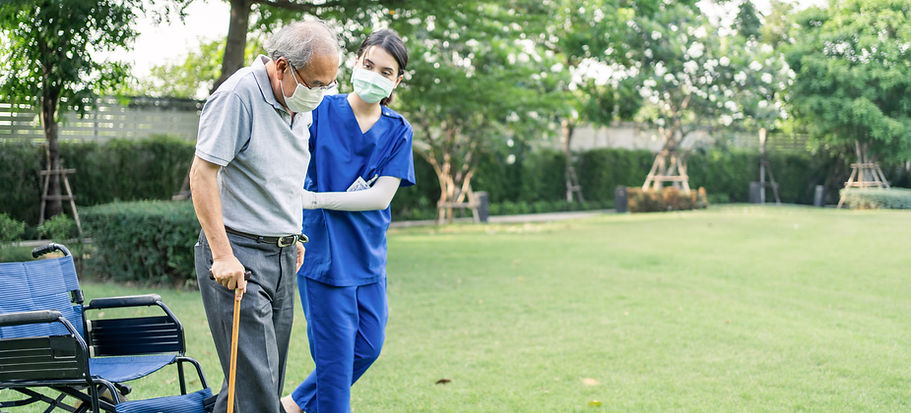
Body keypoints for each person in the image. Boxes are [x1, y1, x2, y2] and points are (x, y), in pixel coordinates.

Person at [190, 20, 340, 413]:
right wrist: (222, 255)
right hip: (238, 256)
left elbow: (281, 176)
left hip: (282, 256)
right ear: (281, 66)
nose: (321, 94)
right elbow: (202, 174)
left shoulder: (297, 102)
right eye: (315, 84)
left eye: (328, 85)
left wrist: (293, 234)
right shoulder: (238, 96)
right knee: (258, 392)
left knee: (258, 383)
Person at [280, 29, 415, 413]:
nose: (374, 74)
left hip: (369, 257)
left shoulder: (398, 129)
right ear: (357, 62)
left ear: (397, 80)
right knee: (336, 366)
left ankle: (293, 404)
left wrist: (317, 199)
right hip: (325, 258)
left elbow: (381, 196)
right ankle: (299, 405)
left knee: (368, 347)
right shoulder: (320, 111)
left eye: (386, 71)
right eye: (369, 64)